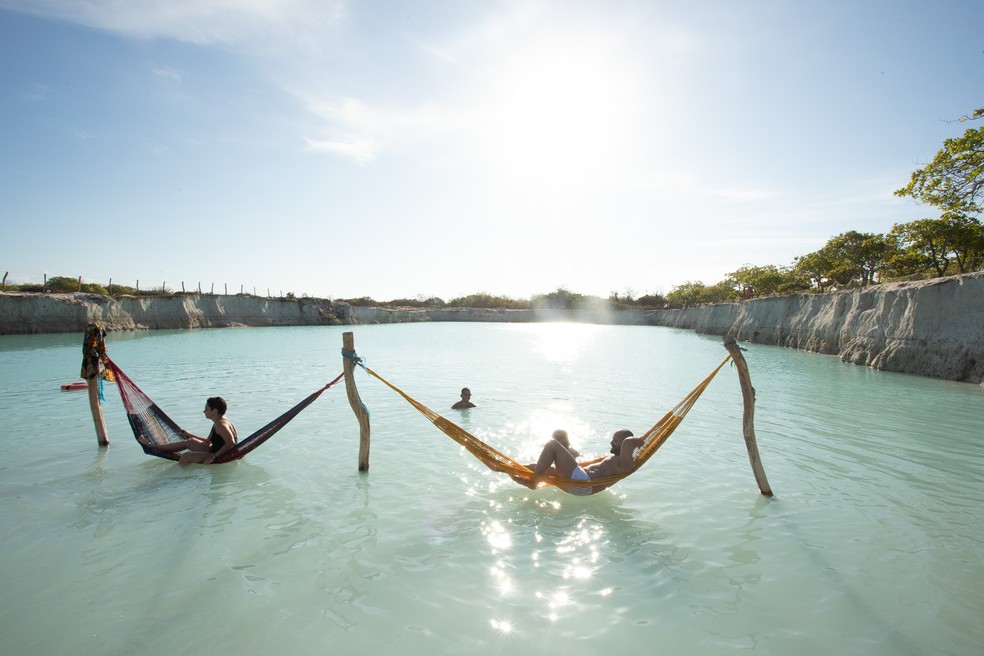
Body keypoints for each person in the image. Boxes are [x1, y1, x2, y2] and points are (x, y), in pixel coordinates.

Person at [137, 396, 238, 464]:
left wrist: (214, 456)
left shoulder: (221, 425)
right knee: (190, 442)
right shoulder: (220, 421)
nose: (204, 411)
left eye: (207, 409)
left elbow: (231, 443)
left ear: (214, 411)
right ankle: (154, 447)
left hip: (220, 455)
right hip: (215, 450)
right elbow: (209, 441)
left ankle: (178, 477)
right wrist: (191, 435)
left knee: (185, 456)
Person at [530, 428, 641, 484]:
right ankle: (515, 468)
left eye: (615, 441)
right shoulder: (614, 458)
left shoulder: (624, 463)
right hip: (579, 475)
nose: (611, 443)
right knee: (535, 466)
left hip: (582, 481)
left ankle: (533, 480)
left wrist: (642, 440)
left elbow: (628, 442)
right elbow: (626, 442)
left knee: (552, 444)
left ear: (623, 444)